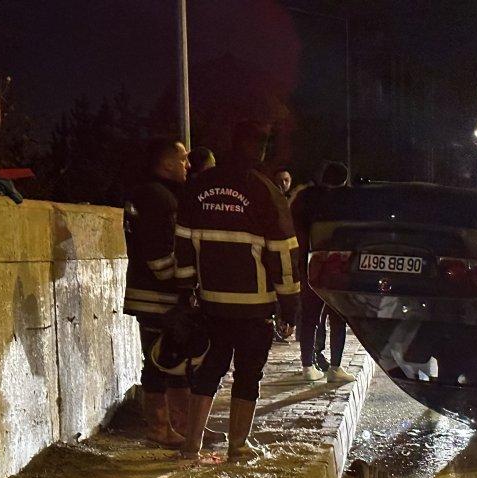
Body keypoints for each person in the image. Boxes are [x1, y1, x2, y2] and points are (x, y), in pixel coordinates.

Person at [174, 121, 301, 460]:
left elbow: (183, 243)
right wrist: (290, 306)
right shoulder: (265, 191)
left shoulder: (199, 187)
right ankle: (238, 445)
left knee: (209, 369)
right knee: (248, 374)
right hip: (254, 306)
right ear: (261, 150)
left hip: (211, 302)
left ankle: (191, 445)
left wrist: (186, 289)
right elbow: (283, 254)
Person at [122, 137, 190, 447]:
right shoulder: (158, 198)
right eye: (183, 159)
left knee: (173, 361)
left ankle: (181, 426)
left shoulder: (149, 194)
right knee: (160, 362)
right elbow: (159, 253)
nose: (188, 165)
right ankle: (161, 428)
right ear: (167, 163)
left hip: (152, 293)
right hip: (158, 296)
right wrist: (182, 282)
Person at [290, 161, 355, 384]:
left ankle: (307, 366)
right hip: (338, 266)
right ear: (344, 180)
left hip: (310, 264)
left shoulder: (305, 199)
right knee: (338, 318)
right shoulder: (347, 201)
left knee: (309, 317)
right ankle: (335, 368)